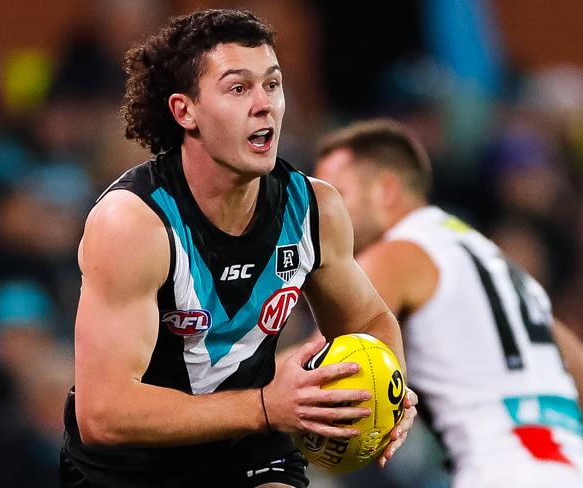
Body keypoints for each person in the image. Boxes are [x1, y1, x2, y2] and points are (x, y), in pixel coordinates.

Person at [60, 10, 417, 488]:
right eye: (238, 88)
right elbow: (103, 416)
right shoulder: (134, 223)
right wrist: (267, 405)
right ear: (185, 111)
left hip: (250, 446)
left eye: (272, 84)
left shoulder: (314, 208)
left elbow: (370, 321)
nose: (264, 105)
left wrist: (388, 389)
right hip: (131, 468)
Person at [314, 118, 583, 488]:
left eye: (337, 195)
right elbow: (576, 367)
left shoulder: (396, 253)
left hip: (496, 470)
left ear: (386, 190)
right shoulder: (504, 268)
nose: (324, 215)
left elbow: (323, 367)